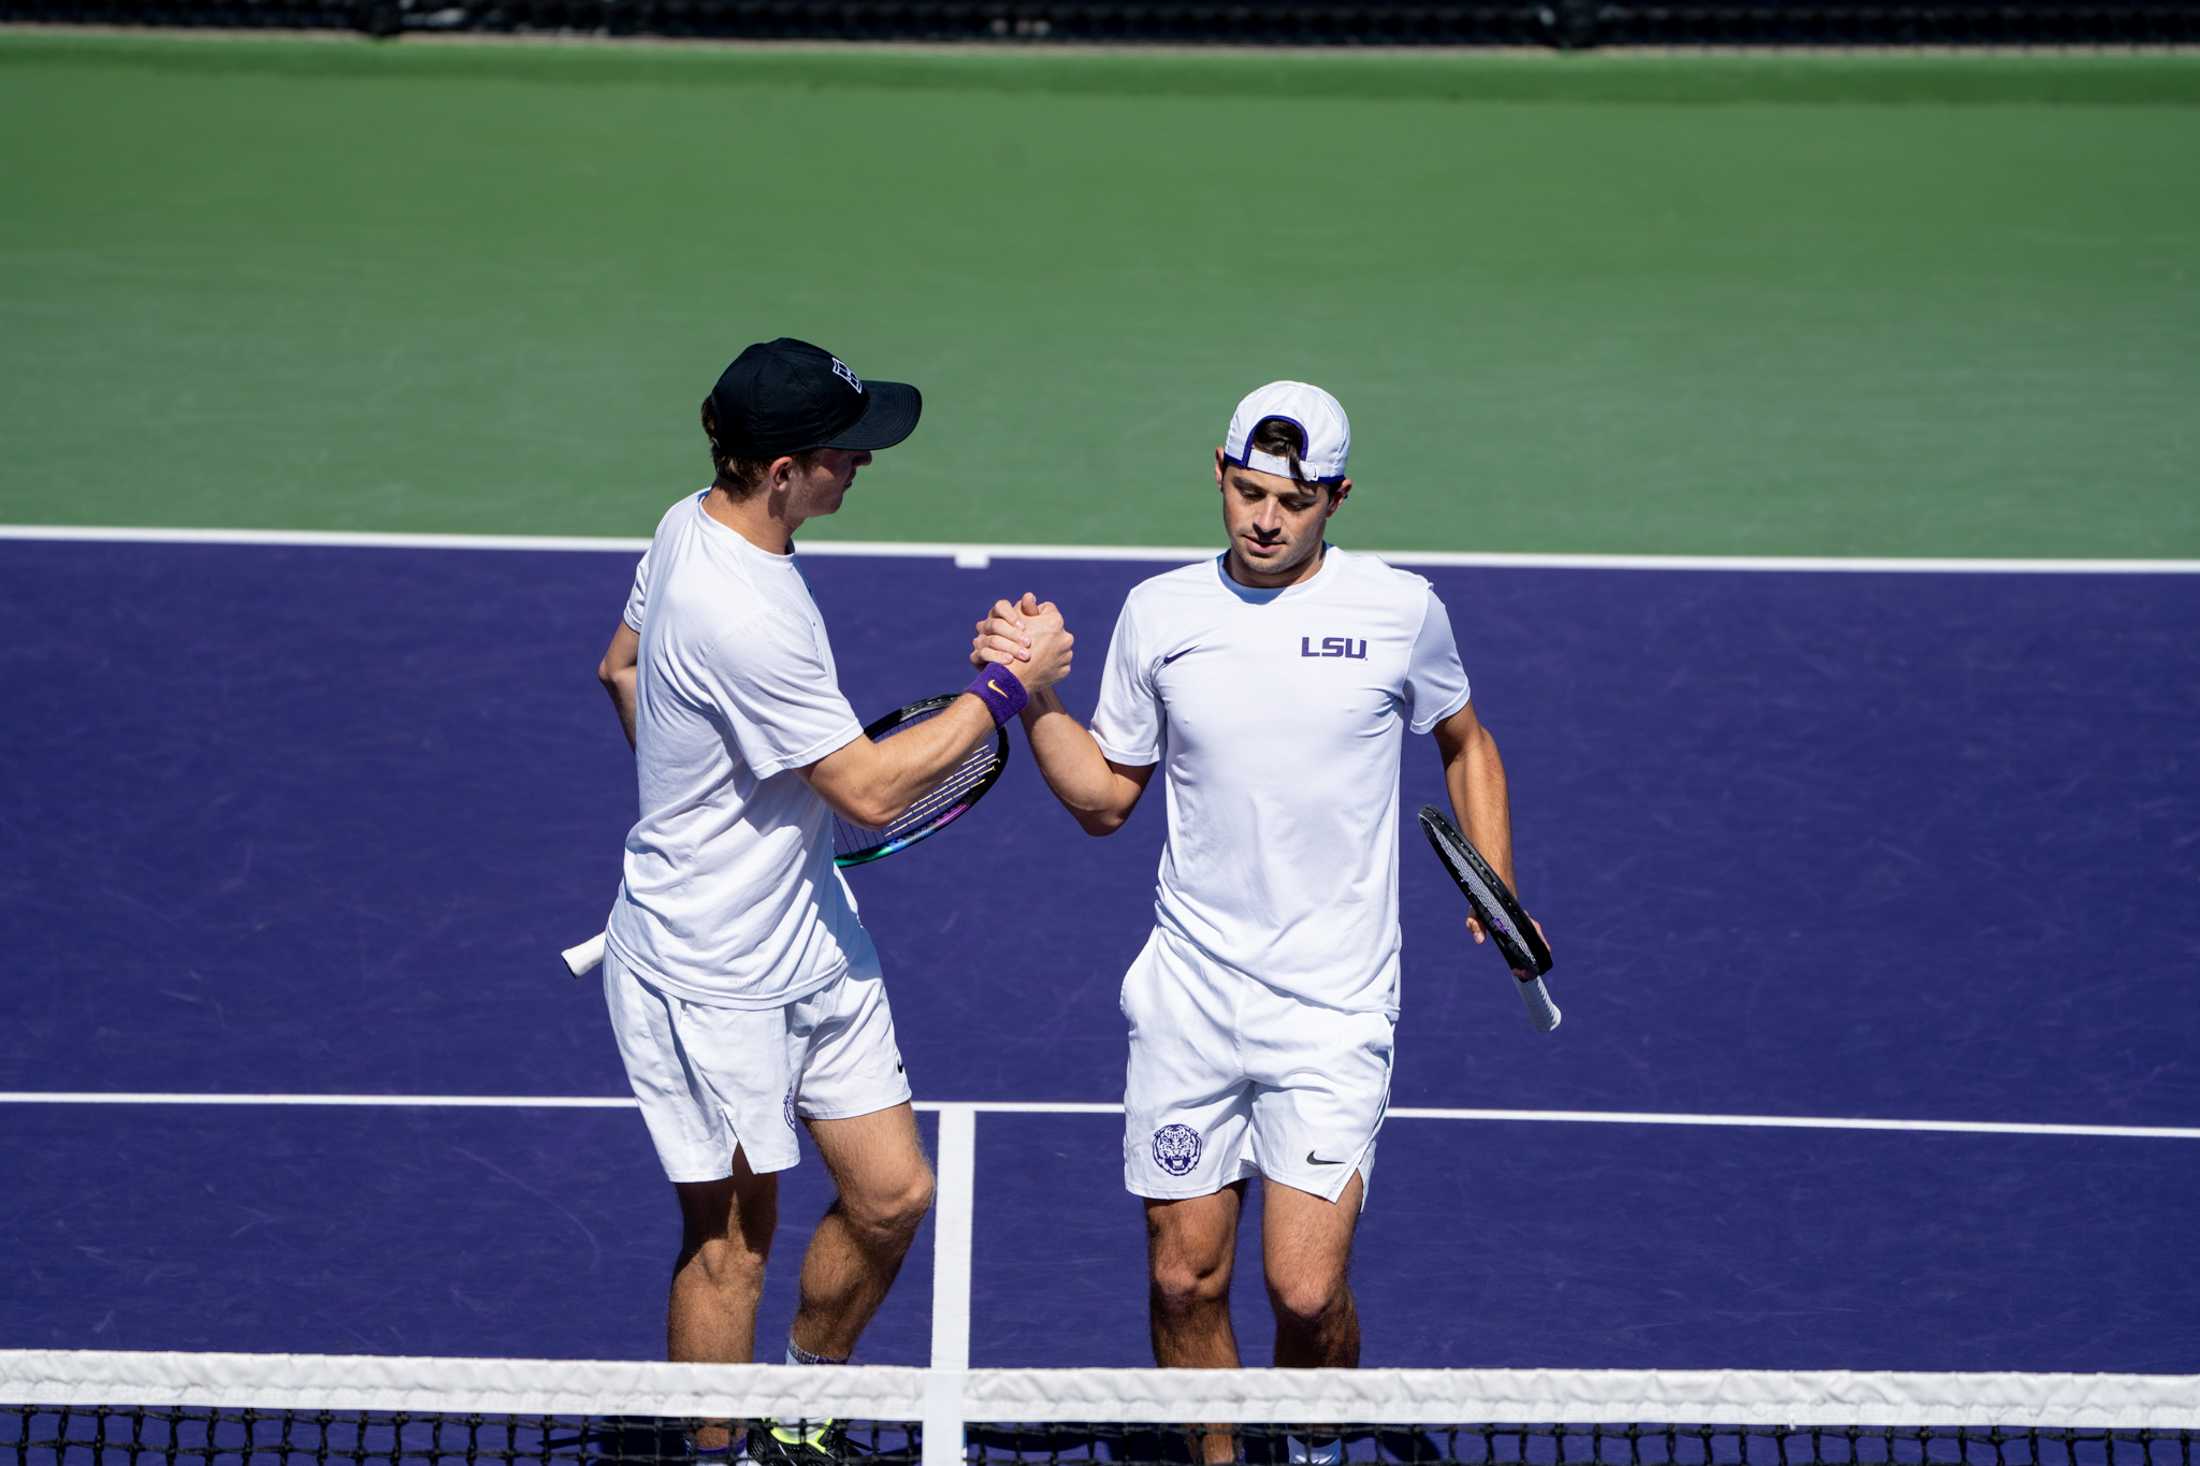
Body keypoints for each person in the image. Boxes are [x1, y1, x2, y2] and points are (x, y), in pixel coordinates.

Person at [972, 381, 1541, 1464]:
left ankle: (1320, 1444)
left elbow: (1464, 738)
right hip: (1189, 996)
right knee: (1183, 1274)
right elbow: (1103, 800)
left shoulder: (1401, 610)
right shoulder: (1161, 614)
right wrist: (1031, 696)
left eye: (1292, 498)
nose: (1264, 519)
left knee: (1304, 1285)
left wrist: (1491, 870)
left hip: (1332, 1004)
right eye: (1244, 492)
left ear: (1337, 497)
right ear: (1219, 475)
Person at [596, 337, 1071, 1463]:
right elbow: (863, 788)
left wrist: (710, 806)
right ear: (779, 471)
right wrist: (1007, 687)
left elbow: (618, 666)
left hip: (805, 930)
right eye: (842, 451)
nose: (861, 464)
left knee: (894, 1193)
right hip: (711, 969)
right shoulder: (745, 611)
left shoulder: (686, 525)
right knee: (731, 1244)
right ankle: (713, 1454)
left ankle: (798, 1410)